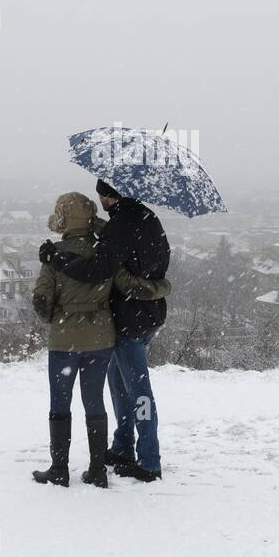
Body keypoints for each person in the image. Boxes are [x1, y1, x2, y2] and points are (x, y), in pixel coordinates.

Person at [31, 192, 169, 488]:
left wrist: (58, 312)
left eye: (104, 196)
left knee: (64, 402)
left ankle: (63, 467)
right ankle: (101, 465)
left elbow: (44, 300)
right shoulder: (133, 228)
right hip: (107, 334)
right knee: (101, 398)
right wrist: (161, 288)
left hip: (77, 336)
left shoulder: (63, 252)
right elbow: (128, 282)